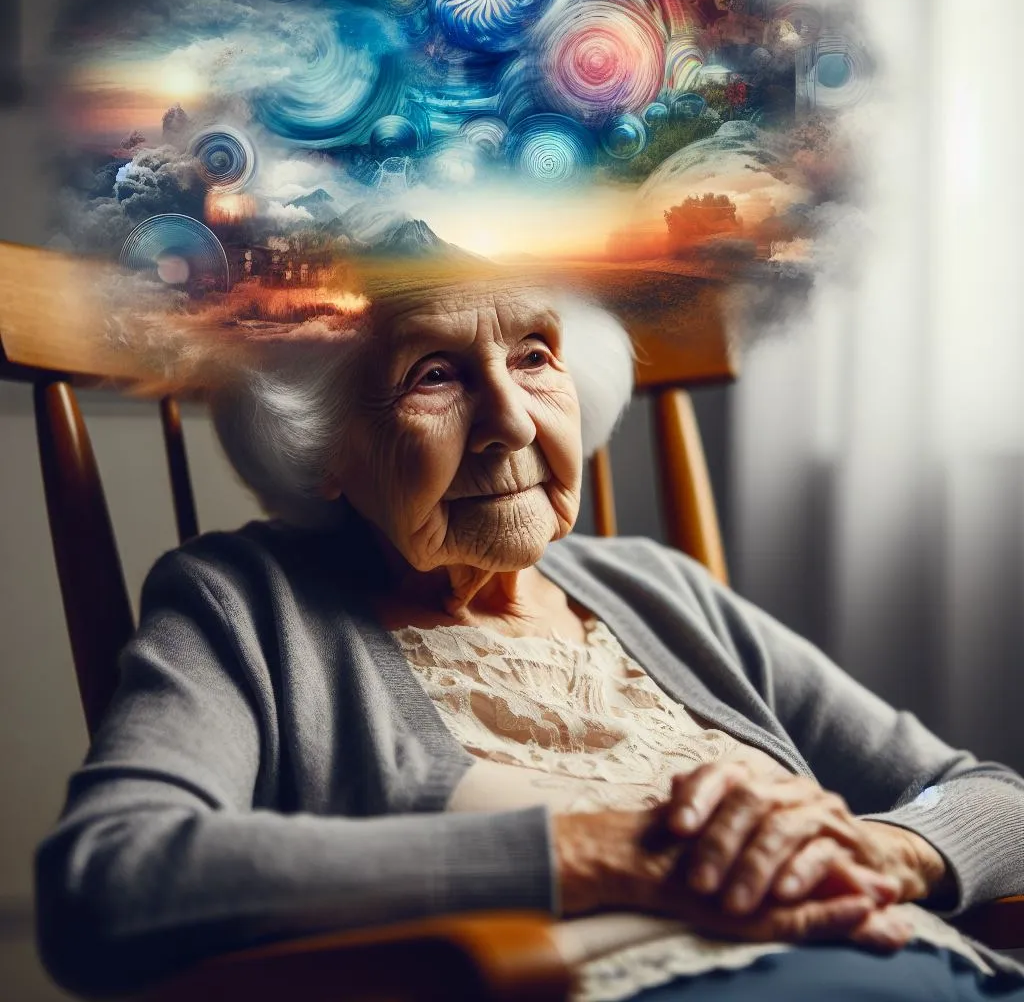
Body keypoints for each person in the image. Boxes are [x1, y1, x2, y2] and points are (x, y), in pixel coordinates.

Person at [35, 282, 1024, 1001]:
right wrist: (590, 852)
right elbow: (110, 879)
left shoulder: (660, 588)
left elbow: (988, 794)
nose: (510, 420)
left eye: (536, 356)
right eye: (435, 374)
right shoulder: (248, 606)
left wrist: (889, 849)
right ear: (325, 441)